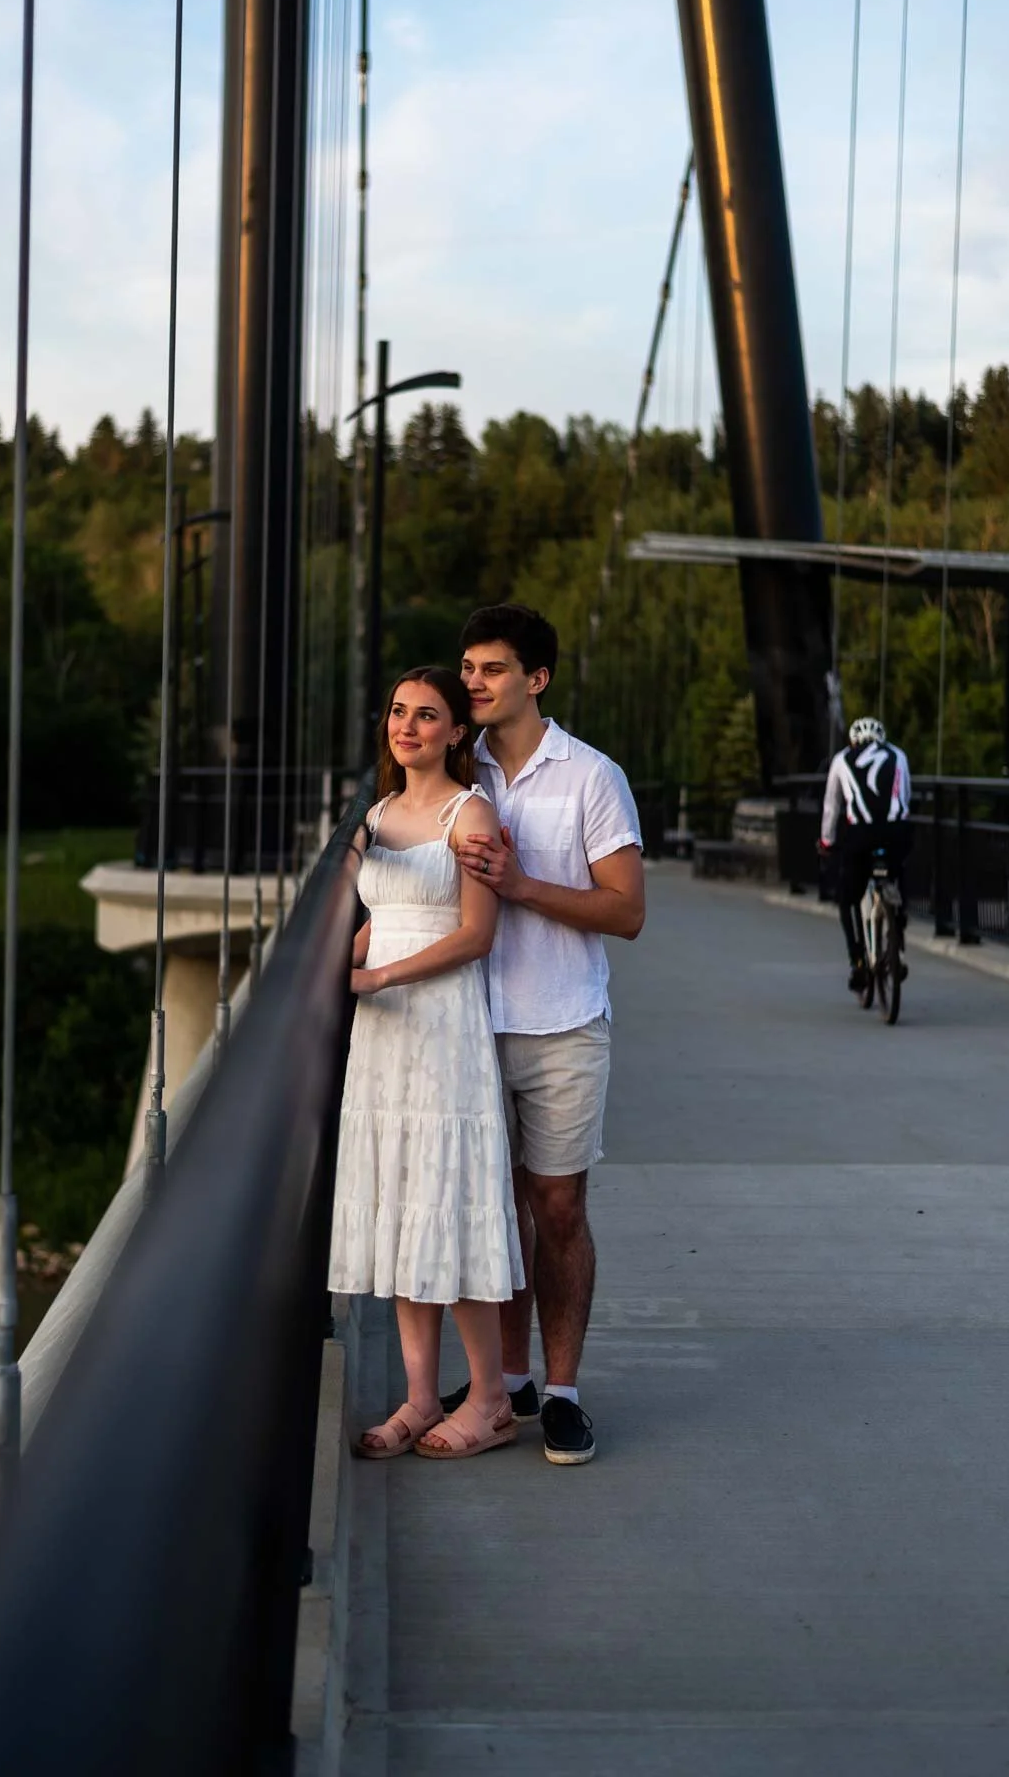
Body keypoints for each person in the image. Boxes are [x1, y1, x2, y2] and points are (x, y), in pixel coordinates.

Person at [443, 604, 645, 1467]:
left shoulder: (592, 777)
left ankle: (561, 1394)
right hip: (468, 1025)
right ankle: (506, 1384)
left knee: (556, 1210)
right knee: (493, 1213)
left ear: (537, 679)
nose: (474, 683)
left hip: (563, 1024)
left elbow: (626, 912)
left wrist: (522, 885)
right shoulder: (457, 769)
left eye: (491, 669)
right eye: (467, 669)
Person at [328, 666, 525, 1461]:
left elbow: (475, 935)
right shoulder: (376, 815)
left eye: (427, 715)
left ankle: (489, 1400)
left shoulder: (467, 813)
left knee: (449, 1200)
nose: (406, 727)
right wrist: (340, 962)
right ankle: (417, 1398)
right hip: (383, 1044)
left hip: (441, 1031)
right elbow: (381, 916)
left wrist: (378, 979)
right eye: (398, 712)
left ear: (455, 732)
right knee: (406, 1203)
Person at [819, 715, 912, 992]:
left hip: (861, 836)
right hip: (896, 832)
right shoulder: (898, 755)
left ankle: (858, 962)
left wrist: (826, 842)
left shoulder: (841, 760)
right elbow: (905, 796)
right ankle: (897, 942)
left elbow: (831, 807)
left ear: (853, 741)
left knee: (847, 899)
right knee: (898, 872)